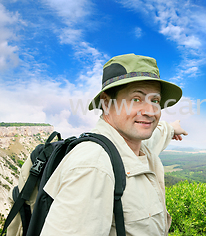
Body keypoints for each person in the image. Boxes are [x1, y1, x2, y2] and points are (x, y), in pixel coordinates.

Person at [37, 53, 186, 235]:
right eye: (136, 99)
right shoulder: (94, 166)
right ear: (106, 103)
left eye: (155, 100)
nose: (150, 112)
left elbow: (158, 134)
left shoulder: (136, 145)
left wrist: (172, 128)